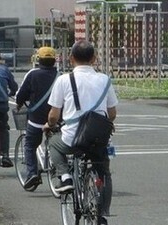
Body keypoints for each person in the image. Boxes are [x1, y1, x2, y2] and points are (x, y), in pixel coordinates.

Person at [43, 40, 118, 225]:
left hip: (72, 138)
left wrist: (50, 125)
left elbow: (54, 115)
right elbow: (112, 113)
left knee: (53, 143)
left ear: (71, 59)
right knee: (104, 172)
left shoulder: (63, 80)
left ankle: (65, 177)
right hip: (98, 138)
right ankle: (102, 213)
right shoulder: (104, 79)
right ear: (94, 58)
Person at [16, 46, 59, 189]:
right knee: (59, 144)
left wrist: (19, 103)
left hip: (36, 119)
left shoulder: (32, 74)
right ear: (54, 60)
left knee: (29, 145)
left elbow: (21, 95)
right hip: (57, 118)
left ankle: (32, 173)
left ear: (38, 60)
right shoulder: (61, 76)